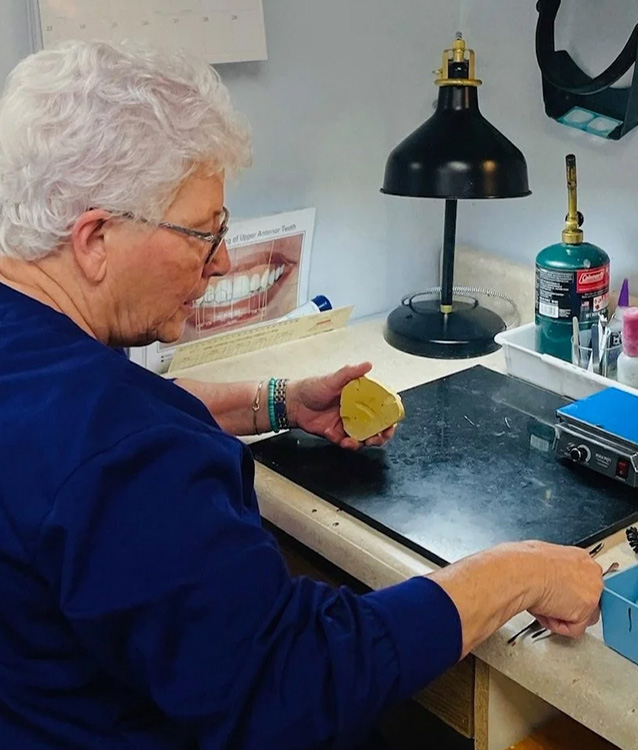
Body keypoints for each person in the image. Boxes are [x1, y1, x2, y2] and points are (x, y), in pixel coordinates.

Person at [0, 40, 603, 750]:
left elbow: (121, 413)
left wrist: (281, 401)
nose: (220, 260)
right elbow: (297, 684)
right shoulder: (123, 454)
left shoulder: (39, 356)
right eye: (203, 232)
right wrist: (520, 569)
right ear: (95, 238)